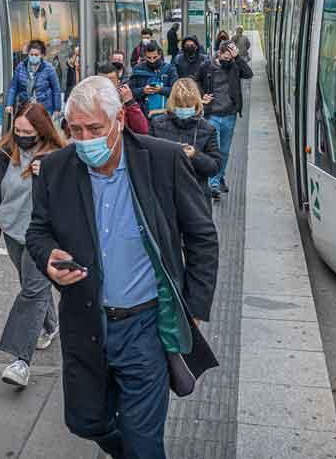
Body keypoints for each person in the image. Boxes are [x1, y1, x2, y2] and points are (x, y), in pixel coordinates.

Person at [25, 76, 219, 459]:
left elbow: (202, 237)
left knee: (144, 442)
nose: (84, 139)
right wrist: (47, 257)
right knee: (86, 423)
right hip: (85, 324)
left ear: (118, 122)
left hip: (145, 326)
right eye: (75, 129)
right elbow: (38, 231)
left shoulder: (163, 160)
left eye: (94, 128)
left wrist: (193, 308)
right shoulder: (56, 169)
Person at [0, 102, 67, 388]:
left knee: (32, 291)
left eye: (28, 131)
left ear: (42, 130)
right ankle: (50, 325)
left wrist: (50, 172)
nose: (22, 135)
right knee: (33, 286)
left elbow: (75, 193)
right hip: (12, 232)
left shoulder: (60, 156)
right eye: (18, 130)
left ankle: (20, 362)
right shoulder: (1, 153)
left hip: (45, 237)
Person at [150, 79, 222, 201]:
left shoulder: (208, 129)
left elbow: (214, 168)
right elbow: (147, 159)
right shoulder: (157, 124)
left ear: (196, 104)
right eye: (179, 105)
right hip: (165, 195)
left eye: (188, 106)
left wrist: (195, 155)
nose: (184, 109)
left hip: (196, 196)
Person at [197, 41, 254, 195]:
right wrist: (202, 95)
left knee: (224, 151)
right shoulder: (207, 66)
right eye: (225, 57)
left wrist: (238, 58)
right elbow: (195, 80)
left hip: (229, 114)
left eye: (230, 57)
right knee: (215, 149)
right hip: (212, 114)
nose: (227, 60)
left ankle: (219, 177)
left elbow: (249, 74)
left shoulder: (235, 65)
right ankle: (214, 183)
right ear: (219, 54)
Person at [5, 40, 63, 118]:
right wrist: (9, 104)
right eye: (31, 54)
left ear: (41, 55)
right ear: (28, 54)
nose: (33, 57)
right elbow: (13, 87)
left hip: (44, 109)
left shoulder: (49, 69)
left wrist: (57, 109)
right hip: (26, 108)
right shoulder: (20, 67)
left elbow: (56, 90)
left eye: (36, 55)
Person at [128, 42, 179, 119]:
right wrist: (143, 91)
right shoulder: (137, 69)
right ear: (144, 56)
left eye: (155, 57)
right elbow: (130, 92)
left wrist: (161, 90)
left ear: (160, 55)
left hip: (166, 113)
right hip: (143, 113)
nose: (152, 61)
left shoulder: (170, 69)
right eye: (149, 58)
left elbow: (176, 91)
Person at [98, 63, 149, 134]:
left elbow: (142, 129)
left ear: (118, 83)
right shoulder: (89, 100)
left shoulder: (125, 101)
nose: (106, 86)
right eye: (102, 82)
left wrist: (130, 102)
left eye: (110, 82)